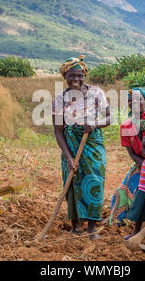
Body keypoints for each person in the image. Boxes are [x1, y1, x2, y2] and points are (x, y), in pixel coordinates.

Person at [52, 55, 111, 240]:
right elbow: (58, 130)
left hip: (92, 144)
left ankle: (92, 227)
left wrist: (95, 125)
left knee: (94, 181)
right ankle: (75, 226)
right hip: (70, 145)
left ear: (84, 76)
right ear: (65, 77)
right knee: (72, 183)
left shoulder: (97, 93)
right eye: (71, 76)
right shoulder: (60, 99)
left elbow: (109, 118)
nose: (75, 80)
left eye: (79, 75)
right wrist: (68, 157)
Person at [109, 85, 145, 226]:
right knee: (121, 194)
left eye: (139, 99)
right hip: (142, 164)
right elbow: (131, 153)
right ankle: (124, 222)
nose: (135, 102)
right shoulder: (126, 126)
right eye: (131, 100)